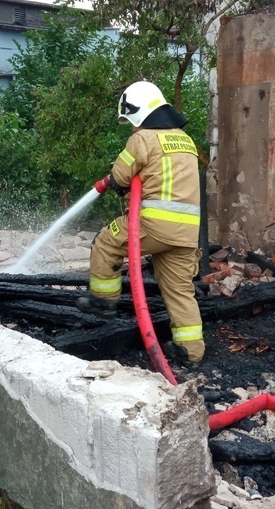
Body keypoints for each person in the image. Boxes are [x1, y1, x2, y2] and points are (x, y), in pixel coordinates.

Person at [76, 81, 204, 365]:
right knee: (179, 289)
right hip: (187, 232)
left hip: (153, 224)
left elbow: (121, 176)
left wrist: (116, 180)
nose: (131, 127)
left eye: (131, 121)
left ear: (139, 113)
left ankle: (103, 305)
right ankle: (191, 350)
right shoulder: (185, 139)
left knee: (106, 243)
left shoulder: (143, 139)